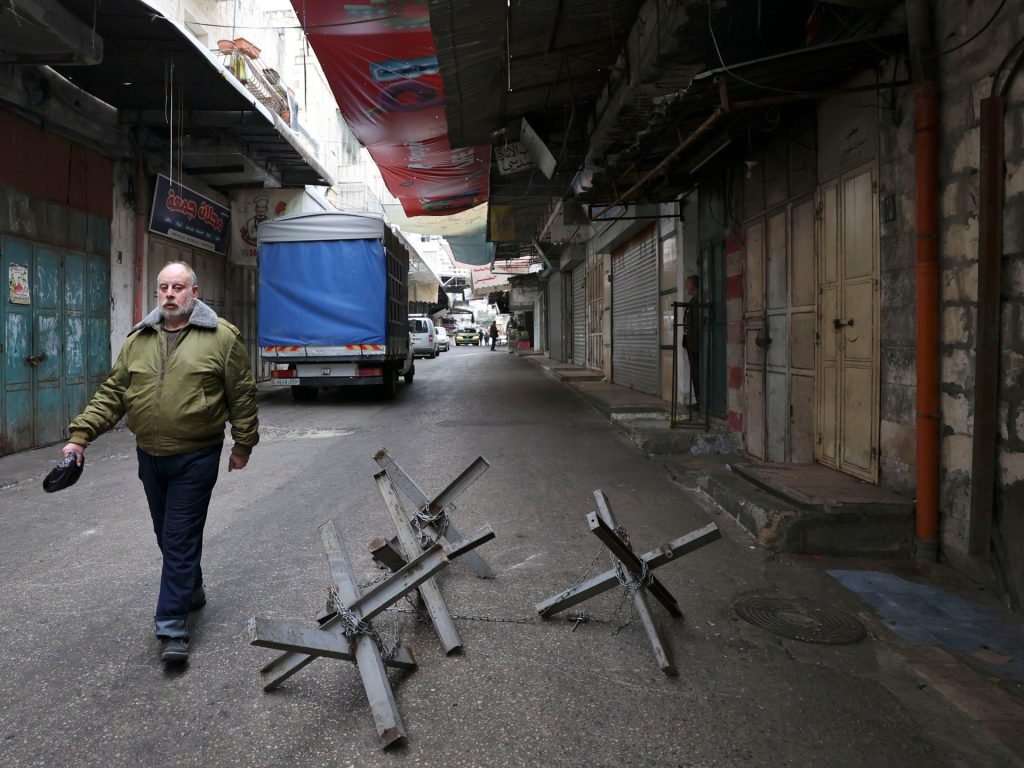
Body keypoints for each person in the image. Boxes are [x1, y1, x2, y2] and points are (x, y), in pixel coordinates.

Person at [60, 261, 259, 664]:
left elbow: (242, 394)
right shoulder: (140, 338)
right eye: (164, 287)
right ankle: (192, 587)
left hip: (196, 454)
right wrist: (80, 438)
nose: (169, 294)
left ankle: (171, 626)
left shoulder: (221, 337)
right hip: (149, 454)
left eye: (178, 287)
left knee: (179, 536)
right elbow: (113, 393)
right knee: (166, 534)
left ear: (194, 293)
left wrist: (243, 444)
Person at [682, 274, 701, 407]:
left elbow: (697, 324)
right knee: (695, 372)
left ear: (693, 285)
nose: (685, 286)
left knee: (698, 372)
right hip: (691, 343)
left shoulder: (699, 300)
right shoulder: (693, 300)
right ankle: (699, 400)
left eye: (687, 284)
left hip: (696, 344)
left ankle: (701, 400)